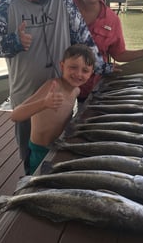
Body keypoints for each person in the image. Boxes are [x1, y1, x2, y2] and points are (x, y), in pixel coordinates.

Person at [0, 0, 113, 174]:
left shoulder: (64, 2)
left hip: (60, 100)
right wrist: (13, 42)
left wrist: (106, 69)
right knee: (32, 164)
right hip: (26, 101)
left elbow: (85, 40)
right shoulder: (8, 6)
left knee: (60, 160)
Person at [11, 44, 95, 174]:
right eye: (73, 67)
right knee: (36, 185)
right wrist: (44, 103)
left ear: (91, 73)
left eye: (85, 70)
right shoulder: (52, 86)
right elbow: (15, 115)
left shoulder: (76, 91)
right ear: (62, 66)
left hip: (58, 148)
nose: (78, 74)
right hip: (40, 151)